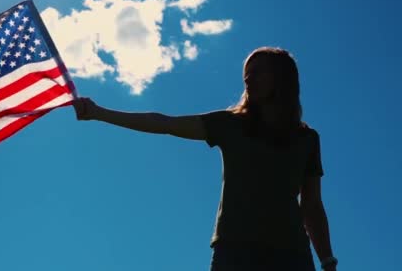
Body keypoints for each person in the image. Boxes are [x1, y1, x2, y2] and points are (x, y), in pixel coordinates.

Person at [72, 47, 337, 271]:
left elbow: (312, 205)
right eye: (246, 73)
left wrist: (327, 260)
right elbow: (164, 123)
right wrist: (99, 113)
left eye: (258, 72)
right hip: (235, 252)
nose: (248, 78)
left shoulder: (307, 139)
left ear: (281, 79)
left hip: (291, 256)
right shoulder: (230, 124)